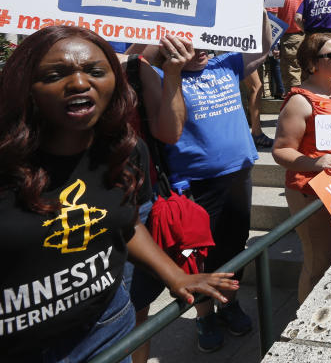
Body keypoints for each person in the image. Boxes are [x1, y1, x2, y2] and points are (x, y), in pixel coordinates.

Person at [0, 27, 237, 362]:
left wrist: (176, 275)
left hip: (108, 331)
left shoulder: (125, 150)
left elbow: (127, 222)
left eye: (96, 71)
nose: (81, 84)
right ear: (24, 85)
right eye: (56, 74)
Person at [155, 14, 272, 352]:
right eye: (190, 45)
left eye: (204, 41)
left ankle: (230, 304)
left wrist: (260, 11)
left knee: (234, 247)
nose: (200, 49)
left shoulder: (225, 64)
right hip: (193, 185)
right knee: (196, 258)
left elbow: (263, 49)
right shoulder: (164, 77)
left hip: (237, 176)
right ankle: (204, 314)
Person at [271, 33, 331, 302]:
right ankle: (302, 327)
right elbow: (280, 150)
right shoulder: (300, 101)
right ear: (312, 63)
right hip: (312, 192)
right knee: (319, 262)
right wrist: (314, 162)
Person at [276, 0, 310, 94]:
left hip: (289, 37)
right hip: (307, 35)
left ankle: (294, 101)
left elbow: (273, 18)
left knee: (292, 72)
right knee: (306, 71)